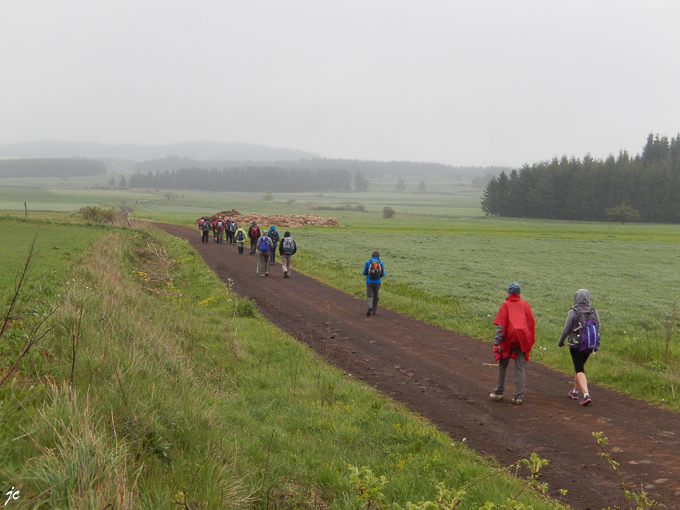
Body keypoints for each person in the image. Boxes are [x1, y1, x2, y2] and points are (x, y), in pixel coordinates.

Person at [489, 282, 535, 405]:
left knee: (502, 365)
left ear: (509, 292)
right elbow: (530, 324)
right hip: (522, 339)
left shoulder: (505, 305)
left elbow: (500, 326)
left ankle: (499, 392)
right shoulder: (525, 305)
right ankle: (518, 396)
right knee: (519, 367)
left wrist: (496, 342)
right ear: (519, 293)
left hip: (508, 339)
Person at [558, 289, 600, 406]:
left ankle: (586, 395)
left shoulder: (574, 311)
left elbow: (566, 328)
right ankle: (575, 392)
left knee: (579, 370)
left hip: (576, 345)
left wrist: (561, 341)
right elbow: (598, 327)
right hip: (589, 345)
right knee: (579, 367)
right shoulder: (593, 311)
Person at [362, 251, 385, 316]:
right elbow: (382, 274)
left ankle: (369, 306)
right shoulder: (380, 263)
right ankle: (374, 311)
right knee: (376, 296)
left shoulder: (368, 262)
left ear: (372, 255)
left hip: (369, 281)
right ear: (378, 256)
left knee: (369, 295)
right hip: (377, 282)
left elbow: (364, 272)